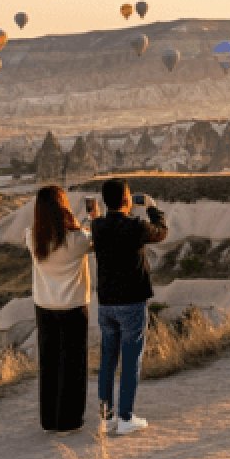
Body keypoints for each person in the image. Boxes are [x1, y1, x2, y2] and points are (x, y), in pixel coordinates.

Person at [91, 178, 167, 435]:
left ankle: (106, 417)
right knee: (131, 360)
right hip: (131, 302)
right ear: (126, 199)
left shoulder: (97, 226)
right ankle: (125, 417)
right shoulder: (135, 226)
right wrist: (152, 207)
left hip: (106, 304)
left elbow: (105, 223)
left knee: (108, 361)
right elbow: (161, 232)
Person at [25, 186, 96, 432]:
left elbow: (57, 236)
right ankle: (69, 420)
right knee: (73, 363)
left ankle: (49, 419)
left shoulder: (32, 237)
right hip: (73, 307)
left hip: (44, 306)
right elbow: (91, 239)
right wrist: (92, 218)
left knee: (49, 363)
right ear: (63, 207)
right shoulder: (76, 240)